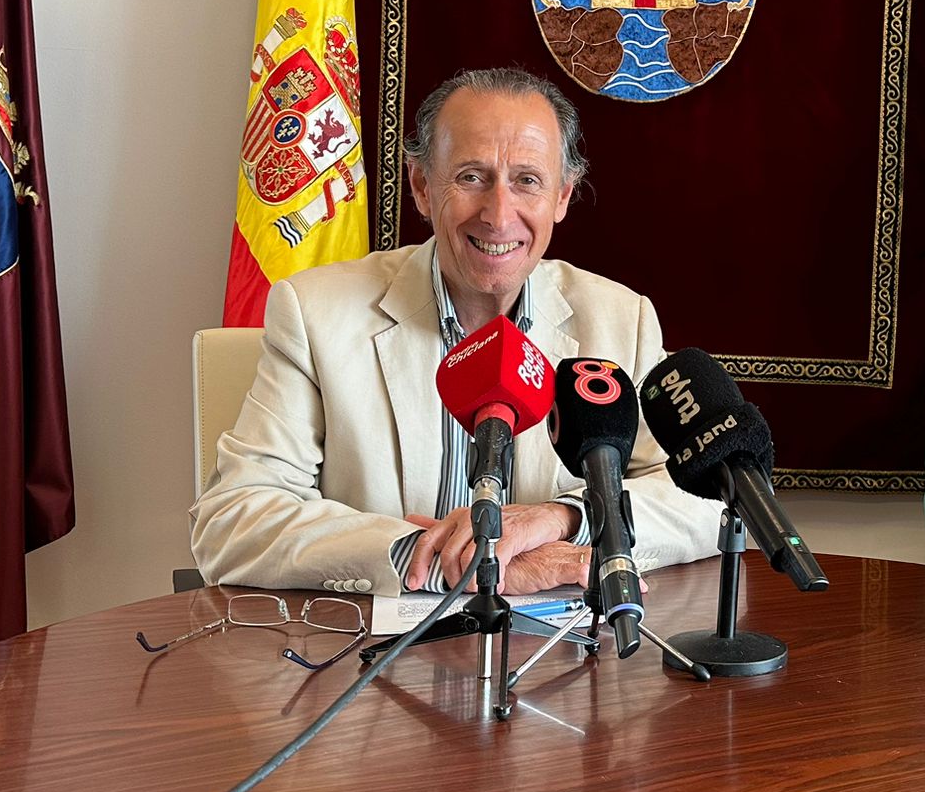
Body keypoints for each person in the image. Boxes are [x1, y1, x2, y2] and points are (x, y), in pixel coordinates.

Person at [192, 67, 722, 595]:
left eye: (527, 181)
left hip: (559, 659)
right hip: (375, 655)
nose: (498, 214)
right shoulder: (315, 314)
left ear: (562, 196)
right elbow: (232, 519)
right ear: (422, 186)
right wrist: (423, 557)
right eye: (471, 177)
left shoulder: (619, 320)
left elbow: (705, 499)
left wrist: (565, 518)